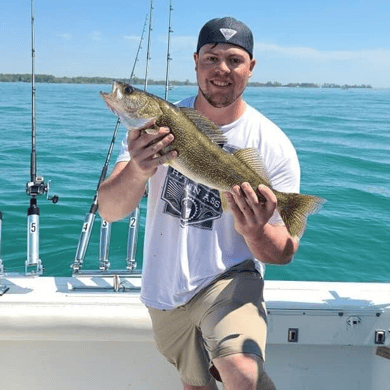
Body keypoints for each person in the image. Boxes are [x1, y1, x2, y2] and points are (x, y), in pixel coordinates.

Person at [98, 17, 300, 390]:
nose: (221, 69)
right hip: (164, 288)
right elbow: (109, 211)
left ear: (251, 68)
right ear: (195, 61)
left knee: (242, 374)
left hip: (230, 279)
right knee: (196, 385)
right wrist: (138, 170)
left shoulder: (272, 143)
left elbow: (284, 251)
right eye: (211, 58)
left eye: (234, 60)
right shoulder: (147, 132)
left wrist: (254, 231)